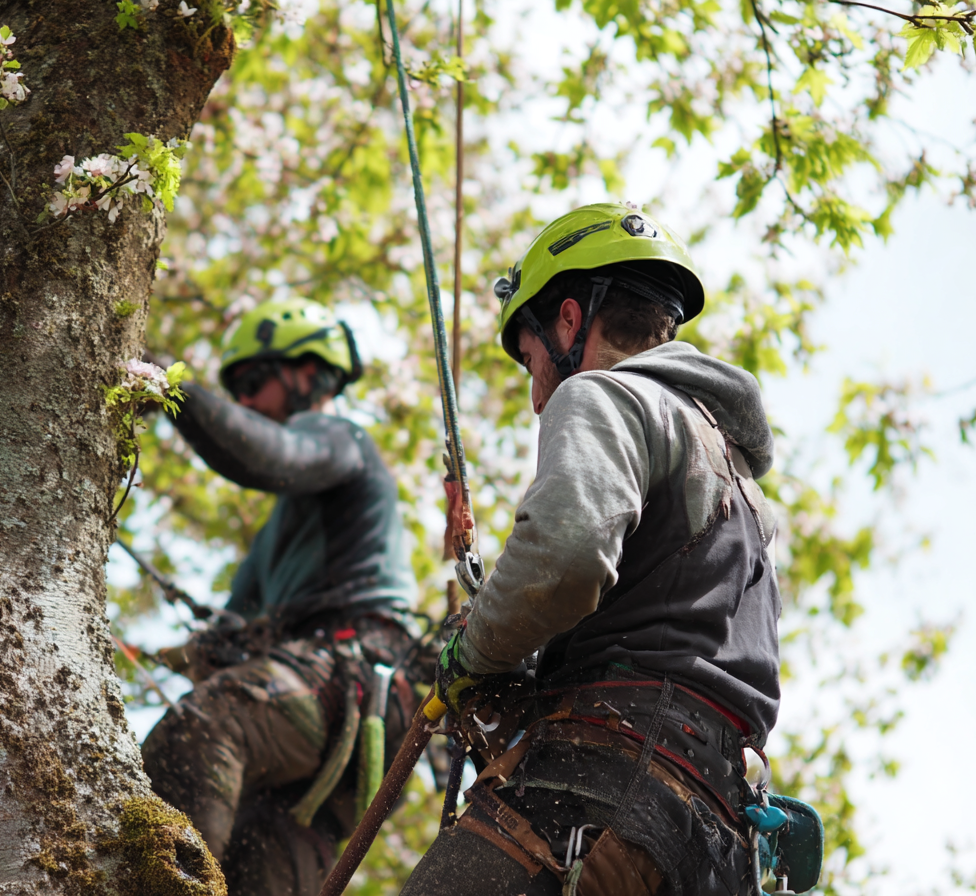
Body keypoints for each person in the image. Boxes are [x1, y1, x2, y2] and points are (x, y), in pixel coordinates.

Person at [406, 203, 782, 896]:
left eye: (530, 360)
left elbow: (565, 560)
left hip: (601, 786)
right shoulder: (743, 489)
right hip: (716, 847)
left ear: (570, 321)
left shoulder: (604, 395)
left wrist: (473, 651)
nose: (536, 397)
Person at [140, 298, 423, 896]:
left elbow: (273, 456)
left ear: (308, 373)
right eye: (236, 391)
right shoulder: (278, 536)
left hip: (347, 674)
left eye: (253, 382)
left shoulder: (337, 436)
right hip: (337, 725)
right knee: (255, 852)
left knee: (201, 728)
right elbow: (234, 621)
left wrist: (168, 386)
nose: (244, 402)